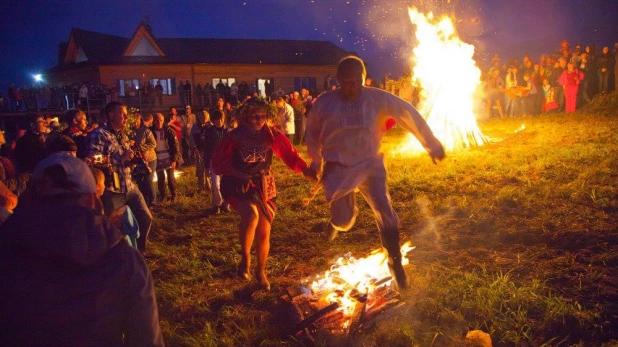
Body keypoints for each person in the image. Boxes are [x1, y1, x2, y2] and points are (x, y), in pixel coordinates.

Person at [305, 56, 445, 290]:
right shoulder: (324, 103)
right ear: (338, 81)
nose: (350, 88)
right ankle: (337, 222)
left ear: (363, 79)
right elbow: (311, 133)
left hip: (370, 165)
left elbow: (406, 113)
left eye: (355, 82)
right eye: (345, 83)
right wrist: (315, 162)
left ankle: (395, 260)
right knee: (344, 220)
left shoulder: (377, 98)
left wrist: (430, 143)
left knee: (384, 209)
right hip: (338, 167)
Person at [0, 153, 164, 346]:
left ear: (32, 196)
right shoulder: (123, 258)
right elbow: (146, 338)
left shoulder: (8, 251)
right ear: (92, 199)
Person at [211, 99, 315, 290]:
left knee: (264, 232)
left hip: (264, 185)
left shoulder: (271, 134)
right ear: (245, 117)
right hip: (238, 183)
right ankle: (245, 260)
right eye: (254, 116)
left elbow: (289, 154)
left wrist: (307, 171)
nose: (259, 120)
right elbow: (218, 164)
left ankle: (261, 272)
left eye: (263, 116)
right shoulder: (234, 137)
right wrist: (241, 174)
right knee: (251, 216)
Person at [86, 102, 153, 253]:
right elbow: (92, 158)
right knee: (113, 226)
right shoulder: (98, 134)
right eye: (122, 114)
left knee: (145, 218)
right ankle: (120, 257)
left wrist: (134, 160)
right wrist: (120, 159)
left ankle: (139, 252)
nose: (125, 117)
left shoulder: (122, 134)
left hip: (129, 185)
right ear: (111, 115)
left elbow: (126, 155)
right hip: (112, 189)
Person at [202, 109, 230, 215]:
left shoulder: (228, 131)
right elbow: (207, 148)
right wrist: (206, 164)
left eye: (221, 119)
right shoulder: (209, 132)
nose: (220, 121)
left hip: (226, 161)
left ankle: (226, 204)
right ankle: (217, 204)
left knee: (227, 184)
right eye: (218, 119)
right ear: (214, 120)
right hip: (214, 160)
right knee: (215, 184)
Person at [152, 113, 181, 202]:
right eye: (157, 120)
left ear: (163, 120)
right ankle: (163, 195)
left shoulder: (169, 131)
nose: (159, 122)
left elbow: (175, 146)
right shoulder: (150, 131)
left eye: (160, 120)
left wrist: (174, 159)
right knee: (160, 178)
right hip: (157, 157)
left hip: (168, 156)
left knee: (170, 177)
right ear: (154, 121)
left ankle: (174, 194)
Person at [133, 113, 157, 207]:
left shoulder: (146, 131)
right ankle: (144, 200)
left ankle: (153, 201)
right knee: (140, 181)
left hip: (149, 159)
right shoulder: (131, 132)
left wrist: (139, 146)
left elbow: (153, 144)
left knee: (148, 180)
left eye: (136, 121)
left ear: (140, 120)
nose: (135, 123)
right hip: (137, 160)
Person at [192, 110, 213, 193]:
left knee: (208, 169)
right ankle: (201, 187)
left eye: (204, 117)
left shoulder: (211, 127)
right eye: (201, 117)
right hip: (199, 150)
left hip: (208, 151)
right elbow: (191, 138)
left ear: (208, 117)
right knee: (200, 169)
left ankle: (209, 186)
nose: (203, 118)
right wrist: (194, 148)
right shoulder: (195, 127)